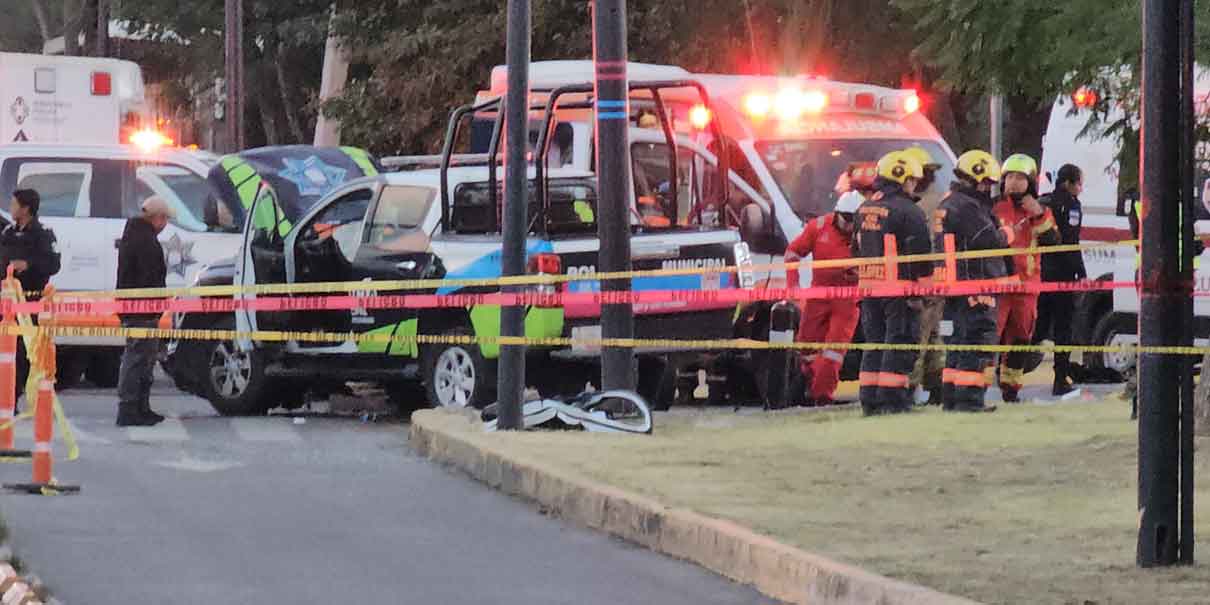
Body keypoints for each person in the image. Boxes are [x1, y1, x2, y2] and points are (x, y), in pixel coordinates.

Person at [854, 151, 932, 416]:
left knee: (874, 342)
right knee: (899, 342)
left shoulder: (863, 208)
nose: (914, 185)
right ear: (901, 178)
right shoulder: (910, 211)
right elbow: (920, 255)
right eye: (912, 180)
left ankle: (869, 400)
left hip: (868, 288)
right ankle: (893, 401)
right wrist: (925, 289)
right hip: (899, 289)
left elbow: (856, 249)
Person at [934, 150, 1007, 413]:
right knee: (977, 340)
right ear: (976, 178)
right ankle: (970, 400)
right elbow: (988, 240)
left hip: (955, 285)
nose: (988, 188)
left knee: (956, 343)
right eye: (986, 182)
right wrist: (1004, 234)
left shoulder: (947, 202)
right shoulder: (967, 206)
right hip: (976, 283)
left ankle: (952, 398)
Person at [785, 190, 862, 406]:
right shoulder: (818, 227)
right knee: (806, 348)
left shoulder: (865, 233)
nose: (849, 225)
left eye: (854, 221)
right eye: (847, 219)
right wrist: (793, 285)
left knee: (833, 353)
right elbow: (792, 252)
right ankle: (808, 387)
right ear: (837, 213)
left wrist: (859, 274)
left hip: (847, 299)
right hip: (818, 295)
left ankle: (822, 397)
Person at [993, 154, 1060, 402]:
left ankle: (1011, 389)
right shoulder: (993, 207)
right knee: (991, 336)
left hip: (1027, 286)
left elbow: (1053, 241)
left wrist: (1038, 214)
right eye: (1009, 177)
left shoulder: (1041, 211)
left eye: (1019, 178)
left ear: (1030, 182)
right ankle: (977, 386)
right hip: (998, 285)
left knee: (1021, 338)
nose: (1013, 183)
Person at [115, 196, 173, 427]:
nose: (166, 223)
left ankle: (140, 407)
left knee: (144, 359)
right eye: (166, 218)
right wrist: (157, 302)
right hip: (142, 308)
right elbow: (151, 276)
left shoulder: (137, 235)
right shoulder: (145, 240)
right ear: (157, 218)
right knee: (138, 358)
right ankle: (130, 408)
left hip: (137, 307)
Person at [0, 189, 61, 404]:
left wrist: (29, 265)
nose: (11, 207)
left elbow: (54, 264)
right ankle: (6, 398)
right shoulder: (7, 233)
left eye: (14, 204)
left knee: (24, 353)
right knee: (5, 351)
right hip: (7, 303)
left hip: (30, 301)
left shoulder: (43, 234)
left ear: (25, 209)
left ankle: (15, 396)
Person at [1035, 164, 1087, 396]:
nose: (1081, 188)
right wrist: (1081, 273)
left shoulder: (1043, 201)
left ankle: (1009, 369)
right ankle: (1060, 379)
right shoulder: (1071, 205)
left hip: (1042, 271)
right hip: (1063, 273)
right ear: (1069, 183)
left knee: (1038, 325)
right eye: (1079, 183)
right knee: (1063, 328)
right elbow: (1071, 241)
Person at [900, 147, 946, 405]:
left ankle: (910, 389)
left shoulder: (919, 206)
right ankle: (936, 388)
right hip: (935, 280)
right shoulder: (935, 200)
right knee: (933, 337)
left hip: (921, 280)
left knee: (917, 336)